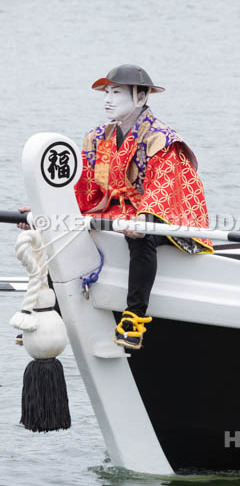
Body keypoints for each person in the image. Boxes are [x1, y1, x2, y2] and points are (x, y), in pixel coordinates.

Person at [73, 65, 211, 349]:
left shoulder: (160, 138)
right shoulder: (100, 137)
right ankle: (51, 302)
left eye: (117, 92)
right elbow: (87, 186)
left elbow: (163, 188)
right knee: (66, 227)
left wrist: (144, 219)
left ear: (140, 96)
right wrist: (51, 209)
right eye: (106, 92)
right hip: (120, 210)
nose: (107, 99)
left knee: (143, 237)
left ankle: (135, 315)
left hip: (169, 212)